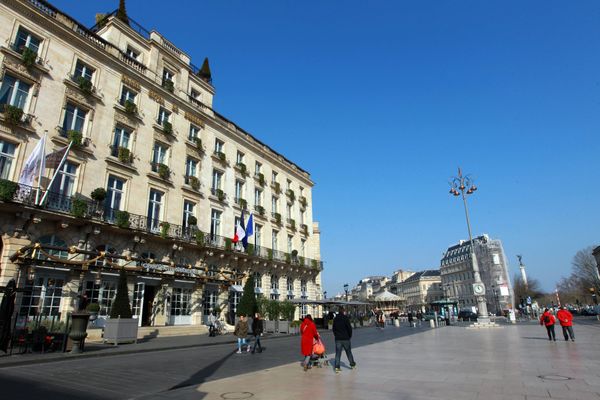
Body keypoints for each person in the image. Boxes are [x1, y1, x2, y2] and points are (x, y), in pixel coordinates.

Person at [333, 307, 356, 373]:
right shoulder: (345, 318)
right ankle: (352, 364)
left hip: (338, 339)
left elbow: (333, 329)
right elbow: (349, 328)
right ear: (343, 311)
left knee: (338, 353)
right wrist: (349, 336)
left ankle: (337, 367)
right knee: (348, 352)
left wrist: (336, 335)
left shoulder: (335, 319)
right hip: (346, 338)